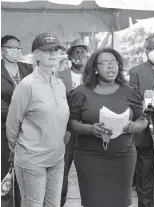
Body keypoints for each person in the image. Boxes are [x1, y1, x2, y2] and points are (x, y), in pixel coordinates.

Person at [68, 47, 147, 207]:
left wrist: (134, 126)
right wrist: (91, 129)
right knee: (93, 202)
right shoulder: (80, 93)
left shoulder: (131, 92)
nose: (110, 66)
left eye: (114, 62)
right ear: (95, 68)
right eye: (104, 63)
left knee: (120, 202)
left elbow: (143, 119)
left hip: (123, 157)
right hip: (89, 157)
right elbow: (71, 123)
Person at [6, 32, 70, 207]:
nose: (53, 54)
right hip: (32, 161)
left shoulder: (59, 84)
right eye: (47, 50)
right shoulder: (26, 85)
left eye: (56, 50)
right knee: (32, 204)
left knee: (53, 205)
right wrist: (21, 150)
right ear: (36, 56)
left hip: (57, 158)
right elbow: (12, 124)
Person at [129, 33, 154, 207]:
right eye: (151, 48)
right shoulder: (136, 71)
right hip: (145, 134)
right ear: (145, 51)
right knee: (144, 181)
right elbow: (133, 100)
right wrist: (147, 115)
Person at [56, 38, 89, 207]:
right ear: (69, 56)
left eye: (82, 51)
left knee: (89, 173)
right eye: (75, 52)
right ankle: (59, 202)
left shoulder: (94, 78)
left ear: (88, 55)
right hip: (66, 130)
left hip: (88, 130)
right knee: (62, 170)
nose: (79, 55)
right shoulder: (59, 76)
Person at [1, 35, 33, 207]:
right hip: (4, 129)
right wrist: (17, 115)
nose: (15, 51)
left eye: (18, 48)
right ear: (2, 49)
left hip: (28, 130)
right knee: (5, 173)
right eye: (11, 47)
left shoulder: (28, 69)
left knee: (25, 172)